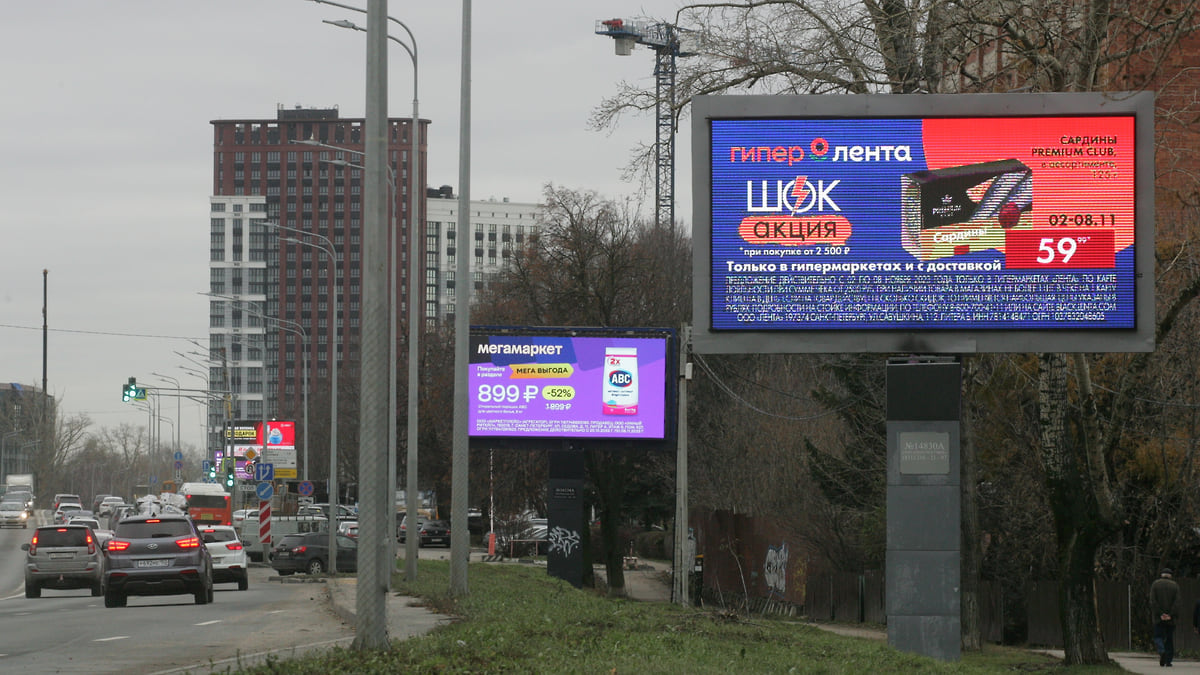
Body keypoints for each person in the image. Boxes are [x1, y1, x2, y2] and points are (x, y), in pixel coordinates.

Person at [1151, 568, 1181, 667]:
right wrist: (1170, 615)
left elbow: (1153, 601)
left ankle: (1161, 650)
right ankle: (1168, 660)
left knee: (1158, 636)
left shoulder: (1155, 584)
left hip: (1158, 618)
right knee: (1169, 638)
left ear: (1162, 575)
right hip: (1170, 619)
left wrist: (1160, 614)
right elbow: (1177, 603)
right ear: (1170, 575)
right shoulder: (1175, 586)